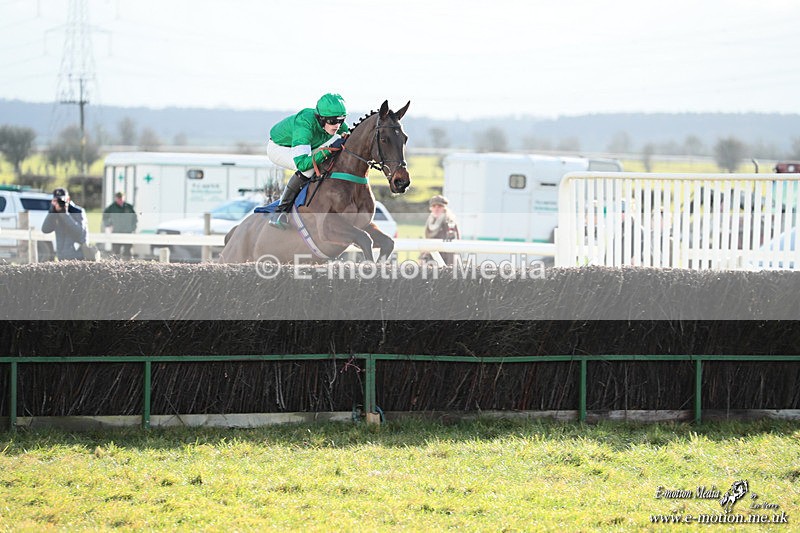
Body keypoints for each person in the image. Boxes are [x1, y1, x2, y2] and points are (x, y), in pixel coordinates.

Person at [266, 93, 350, 229]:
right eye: (333, 121)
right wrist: (327, 151)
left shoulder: (336, 123)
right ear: (321, 119)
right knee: (309, 168)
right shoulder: (304, 126)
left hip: (309, 145)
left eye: (341, 120)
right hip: (280, 148)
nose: (338, 125)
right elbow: (302, 164)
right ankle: (280, 213)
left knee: (337, 143)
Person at [41, 187, 88, 261]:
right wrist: (52, 211)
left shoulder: (78, 211)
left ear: (68, 199)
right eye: (57, 200)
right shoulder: (55, 212)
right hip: (61, 257)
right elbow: (45, 229)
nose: (60, 202)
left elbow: (79, 232)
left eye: (62, 200)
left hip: (78, 257)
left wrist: (65, 214)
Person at [419, 195, 460, 266]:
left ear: (444, 208)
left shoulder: (450, 223)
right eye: (434, 206)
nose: (436, 209)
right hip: (431, 260)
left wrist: (450, 268)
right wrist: (421, 257)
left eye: (439, 206)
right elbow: (427, 241)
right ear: (431, 208)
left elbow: (453, 248)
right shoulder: (430, 222)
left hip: (445, 261)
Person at [102, 192, 138, 258]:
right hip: (116, 232)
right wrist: (109, 225)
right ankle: (116, 266)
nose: (120, 200)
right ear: (116, 198)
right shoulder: (111, 207)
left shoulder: (129, 207)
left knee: (127, 252)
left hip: (127, 232)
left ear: (124, 197)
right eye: (118, 198)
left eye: (121, 198)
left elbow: (134, 218)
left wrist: (133, 227)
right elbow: (105, 217)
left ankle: (128, 265)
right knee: (116, 252)